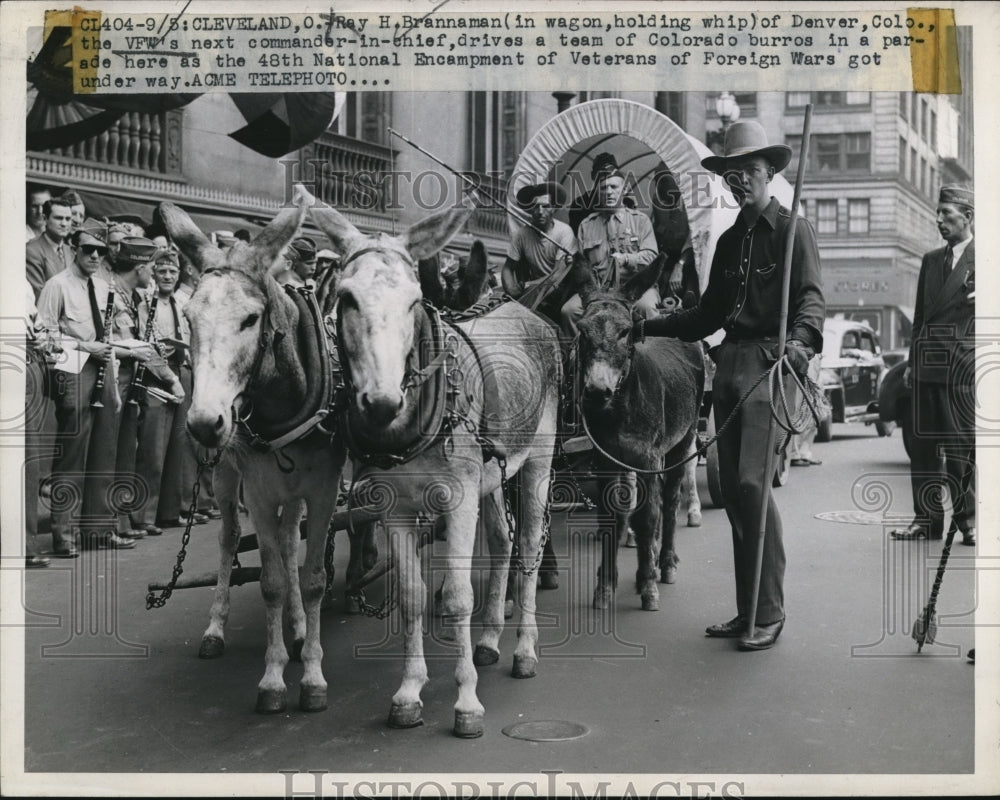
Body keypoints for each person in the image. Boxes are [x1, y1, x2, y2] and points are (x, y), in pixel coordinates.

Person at [636, 121, 825, 650]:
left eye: (748, 172)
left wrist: (801, 344)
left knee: (749, 486)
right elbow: (706, 316)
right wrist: (647, 325)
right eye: (732, 174)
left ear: (769, 174)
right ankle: (748, 611)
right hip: (731, 368)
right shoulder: (729, 239)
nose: (739, 182)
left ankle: (769, 612)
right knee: (736, 497)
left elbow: (811, 300)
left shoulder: (793, 231)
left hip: (771, 365)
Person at [35, 219, 132, 553]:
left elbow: (109, 339)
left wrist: (115, 390)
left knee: (105, 453)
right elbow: (43, 338)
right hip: (72, 369)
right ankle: (64, 536)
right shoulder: (57, 285)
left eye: (100, 251)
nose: (94, 256)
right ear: (75, 249)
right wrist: (84, 347)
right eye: (88, 249)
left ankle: (99, 531)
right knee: (73, 454)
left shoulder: (104, 287)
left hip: (104, 371)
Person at [890, 185, 976, 548]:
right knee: (923, 449)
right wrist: (911, 363)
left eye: (947, 214)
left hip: (960, 368)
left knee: (959, 450)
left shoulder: (985, 259)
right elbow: (921, 318)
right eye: (938, 214)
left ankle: (968, 521)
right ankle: (926, 520)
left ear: (967, 217)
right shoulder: (929, 260)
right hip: (926, 367)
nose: (939, 220)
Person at [560, 170, 659, 338]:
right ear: (597, 192)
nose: (609, 192)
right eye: (604, 188)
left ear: (625, 189)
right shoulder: (587, 225)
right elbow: (583, 265)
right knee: (568, 311)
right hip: (599, 290)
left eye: (614, 186)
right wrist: (574, 261)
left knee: (646, 308)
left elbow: (651, 257)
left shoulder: (640, 221)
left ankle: (650, 357)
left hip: (635, 288)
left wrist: (627, 259)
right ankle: (578, 359)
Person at [134, 250, 189, 536]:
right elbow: (146, 346)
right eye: (163, 271)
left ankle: (169, 511)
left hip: (179, 370)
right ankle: (144, 515)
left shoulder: (179, 304)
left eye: (173, 272)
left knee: (176, 448)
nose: (168, 276)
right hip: (155, 376)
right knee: (153, 449)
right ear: (154, 273)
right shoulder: (147, 304)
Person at [501, 182, 577, 318]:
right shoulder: (522, 234)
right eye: (536, 207)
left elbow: (556, 276)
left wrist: (527, 285)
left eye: (546, 206)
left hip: (557, 290)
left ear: (553, 208)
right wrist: (511, 290)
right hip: (533, 290)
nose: (540, 212)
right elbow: (508, 267)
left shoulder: (564, 232)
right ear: (530, 209)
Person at [26, 197, 74, 299]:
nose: (64, 224)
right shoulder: (31, 251)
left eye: (68, 219)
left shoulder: (70, 251)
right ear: (45, 219)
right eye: (58, 218)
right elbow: (40, 295)